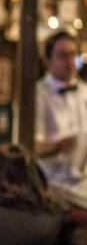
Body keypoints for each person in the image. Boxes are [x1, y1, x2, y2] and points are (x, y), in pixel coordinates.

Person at [35, 31, 87, 183]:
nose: (70, 61)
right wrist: (58, 145)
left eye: (72, 55)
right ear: (48, 60)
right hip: (51, 182)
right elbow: (31, 146)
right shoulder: (38, 95)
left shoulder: (84, 92)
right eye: (63, 56)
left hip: (83, 182)